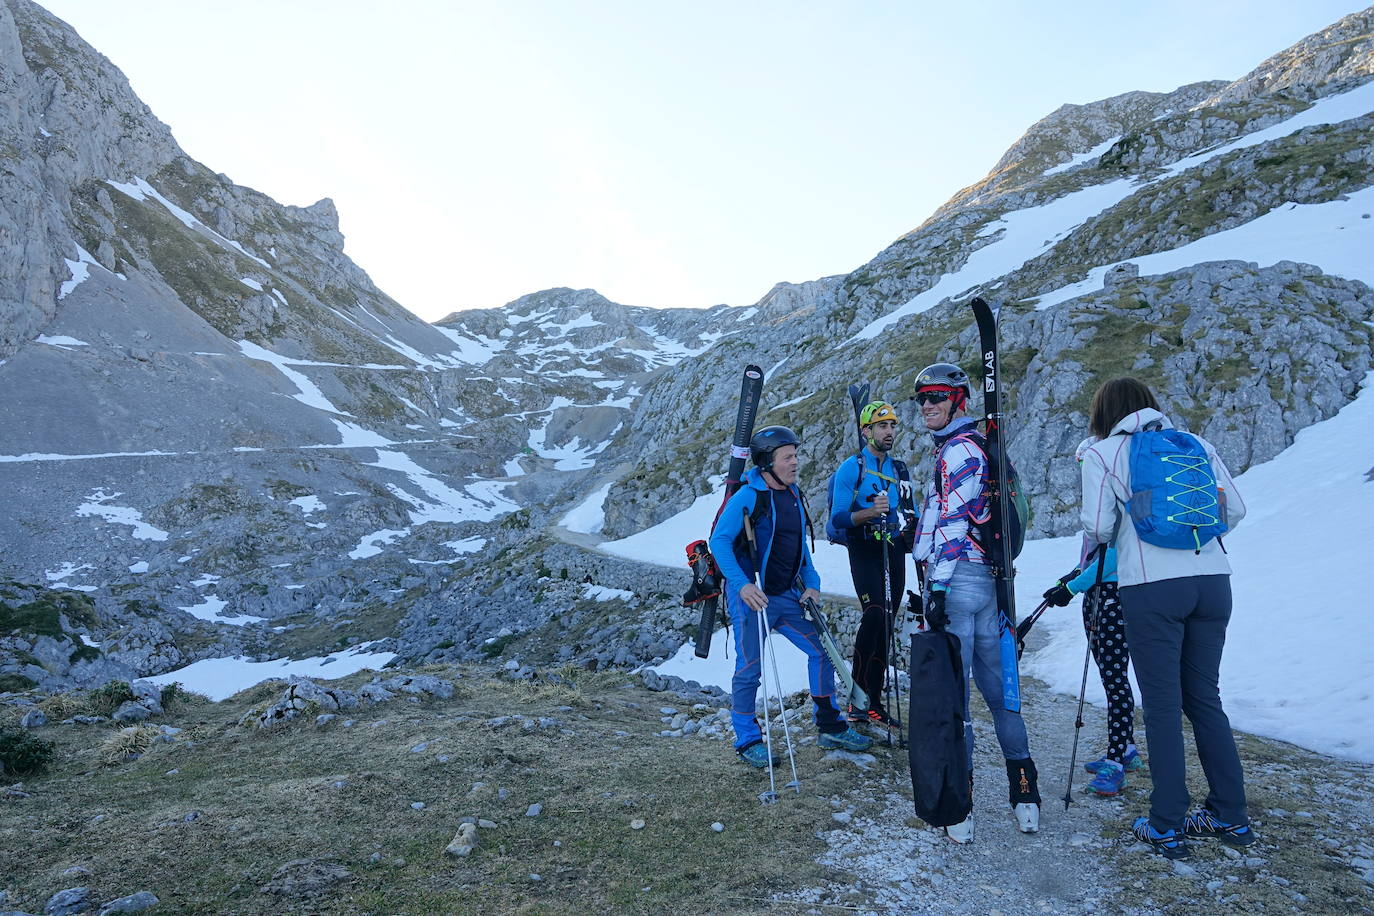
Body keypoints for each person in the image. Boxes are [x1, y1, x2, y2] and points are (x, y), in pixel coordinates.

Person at [1078, 377, 1253, 860]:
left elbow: (1098, 527)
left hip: (1152, 586)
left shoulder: (1102, 453)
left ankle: (1166, 823)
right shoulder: (1195, 443)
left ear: (1104, 414)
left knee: (1160, 705)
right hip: (1214, 578)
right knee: (1204, 699)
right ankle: (1230, 815)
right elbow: (1234, 508)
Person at [910, 363, 1040, 843]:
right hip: (990, 583)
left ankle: (960, 810)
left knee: (956, 699)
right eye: (921, 398)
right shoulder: (973, 445)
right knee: (1001, 693)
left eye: (938, 396)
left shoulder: (960, 450)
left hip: (961, 581)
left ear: (959, 399)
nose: (927, 404)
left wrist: (938, 588)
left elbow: (954, 523)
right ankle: (1025, 796)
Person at [710, 425, 873, 768]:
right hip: (751, 596)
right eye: (788, 457)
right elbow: (719, 543)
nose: (795, 462)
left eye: (796, 455)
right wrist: (741, 585)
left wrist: (812, 583)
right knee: (749, 669)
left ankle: (829, 725)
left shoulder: (793, 493)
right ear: (768, 463)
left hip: (787, 594)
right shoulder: (748, 496)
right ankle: (747, 738)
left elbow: (800, 549)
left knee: (823, 652)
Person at [828, 400, 913, 732]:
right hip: (863, 546)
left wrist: (912, 529)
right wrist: (870, 512)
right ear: (866, 431)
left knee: (888, 620)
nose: (889, 431)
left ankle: (874, 703)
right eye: (882, 426)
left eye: (892, 425)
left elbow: (910, 510)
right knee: (875, 612)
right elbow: (837, 517)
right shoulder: (852, 468)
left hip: (893, 546)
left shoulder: (900, 469)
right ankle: (857, 698)